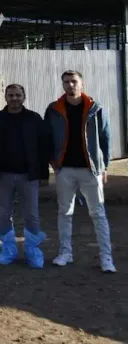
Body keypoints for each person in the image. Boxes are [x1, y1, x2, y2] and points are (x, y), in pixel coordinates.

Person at [44, 70, 115, 273]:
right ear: (63, 85)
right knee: (64, 212)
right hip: (64, 170)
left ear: (82, 84)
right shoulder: (54, 109)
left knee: (98, 213)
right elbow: (47, 137)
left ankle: (106, 257)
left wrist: (104, 166)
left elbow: (106, 138)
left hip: (90, 170)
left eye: (74, 81)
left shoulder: (95, 108)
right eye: (66, 82)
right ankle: (65, 253)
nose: (70, 85)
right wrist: (53, 162)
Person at [0, 84, 48, 268]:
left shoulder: (34, 119)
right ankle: (8, 250)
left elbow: (42, 147)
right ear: (5, 97)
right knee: (4, 214)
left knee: (32, 215)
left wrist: (43, 174)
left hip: (28, 176)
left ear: (24, 97)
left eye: (18, 95)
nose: (14, 98)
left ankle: (32, 251)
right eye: (11, 95)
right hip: (2, 176)